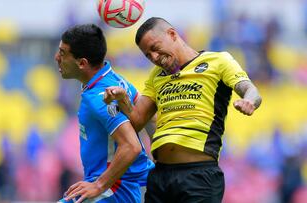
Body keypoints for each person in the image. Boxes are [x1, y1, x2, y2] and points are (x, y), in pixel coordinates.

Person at [104, 17, 262, 203]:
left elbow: (251, 90)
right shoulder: (157, 75)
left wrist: (249, 101)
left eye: (155, 48)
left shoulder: (218, 61)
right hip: (160, 177)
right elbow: (137, 121)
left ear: (172, 34)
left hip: (198, 176)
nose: (154, 57)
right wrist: (123, 99)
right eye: (148, 55)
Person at [54, 24, 154, 203]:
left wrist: (99, 185)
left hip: (114, 190)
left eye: (62, 53)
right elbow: (149, 118)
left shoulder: (99, 97)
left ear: (82, 63)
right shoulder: (117, 80)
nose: (56, 58)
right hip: (118, 188)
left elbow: (131, 146)